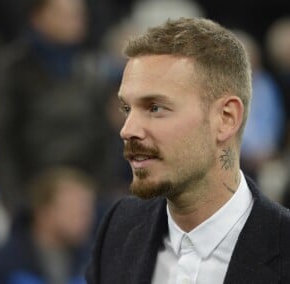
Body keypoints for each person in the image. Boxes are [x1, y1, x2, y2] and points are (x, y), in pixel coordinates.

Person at [86, 17, 290, 284]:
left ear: (226, 118)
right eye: (127, 109)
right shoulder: (119, 227)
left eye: (155, 107)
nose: (128, 129)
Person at [0, 0, 106, 215]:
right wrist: (15, 200)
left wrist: (97, 192)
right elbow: (2, 139)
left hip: (85, 190)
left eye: (79, 13)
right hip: (32, 191)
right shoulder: (13, 69)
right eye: (66, 14)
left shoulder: (90, 70)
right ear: (38, 17)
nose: (77, 21)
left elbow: (103, 136)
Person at [0, 166, 96, 284]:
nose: (85, 218)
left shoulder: (95, 261)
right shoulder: (5, 265)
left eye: (87, 210)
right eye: (74, 209)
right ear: (44, 212)